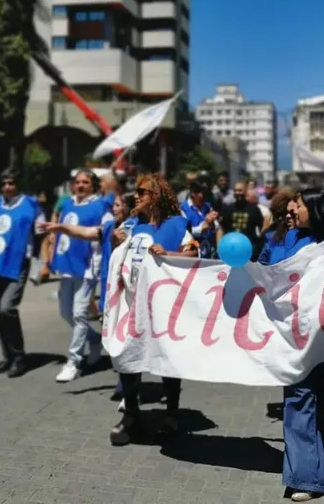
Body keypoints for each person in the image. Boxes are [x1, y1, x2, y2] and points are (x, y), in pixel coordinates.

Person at [265, 190, 324, 502]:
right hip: (295, 337)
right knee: (298, 400)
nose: (293, 209)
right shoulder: (281, 239)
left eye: (299, 205)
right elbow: (263, 270)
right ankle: (306, 478)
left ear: (313, 211)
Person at [109, 172, 196, 446]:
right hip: (132, 305)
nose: (137, 195)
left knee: (166, 360)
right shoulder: (131, 225)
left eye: (142, 191)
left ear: (156, 195)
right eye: (136, 191)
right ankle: (132, 413)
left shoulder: (176, 226)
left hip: (163, 307)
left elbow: (193, 253)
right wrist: (115, 241)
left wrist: (170, 254)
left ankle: (171, 414)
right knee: (128, 358)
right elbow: (119, 257)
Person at [47, 192, 135, 408]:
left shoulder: (135, 229)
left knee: (125, 342)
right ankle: (124, 382)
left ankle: (129, 392)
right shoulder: (107, 228)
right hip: (108, 291)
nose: (113, 208)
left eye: (117, 205)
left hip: (127, 292)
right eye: (113, 205)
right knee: (112, 341)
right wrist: (60, 228)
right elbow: (85, 232)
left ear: (128, 208)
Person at [0, 169, 46, 378]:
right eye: (4, 183)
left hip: (18, 264)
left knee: (7, 308)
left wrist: (43, 263)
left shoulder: (31, 205)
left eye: (11, 183)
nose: (7, 187)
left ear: (18, 185)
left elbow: (44, 234)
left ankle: (19, 357)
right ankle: (7, 356)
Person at [51, 169, 110, 383]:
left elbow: (108, 230)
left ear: (92, 185)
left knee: (78, 313)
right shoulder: (68, 203)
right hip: (67, 265)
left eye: (85, 182)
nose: (81, 186)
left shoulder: (101, 205)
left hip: (87, 266)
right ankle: (95, 340)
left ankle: (73, 362)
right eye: (78, 182)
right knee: (65, 312)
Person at [218, 180, 265, 260]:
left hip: (248, 250)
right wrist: (219, 248)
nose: (237, 193)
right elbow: (221, 228)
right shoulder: (227, 209)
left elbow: (261, 228)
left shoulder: (254, 209)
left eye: (240, 190)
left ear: (245, 192)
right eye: (235, 190)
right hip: (230, 249)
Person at [181, 179, 219, 259]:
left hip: (209, 253)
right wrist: (202, 228)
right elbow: (183, 233)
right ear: (192, 192)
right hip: (192, 254)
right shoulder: (183, 209)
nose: (202, 196)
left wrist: (211, 224)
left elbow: (216, 228)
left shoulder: (208, 206)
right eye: (198, 192)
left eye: (204, 193)